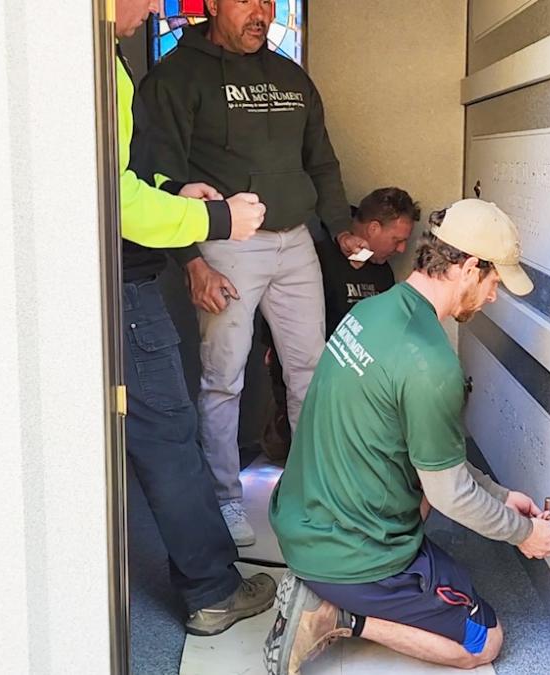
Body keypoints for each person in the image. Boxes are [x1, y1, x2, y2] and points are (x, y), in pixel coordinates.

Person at [264, 200, 550, 673]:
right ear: (467, 268)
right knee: (483, 642)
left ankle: (344, 587)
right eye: (493, 282)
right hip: (347, 553)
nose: (492, 297)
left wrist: (502, 496)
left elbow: (430, 459)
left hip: (303, 518)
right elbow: (448, 494)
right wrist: (524, 533)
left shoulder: (374, 311)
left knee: (433, 483)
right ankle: (334, 614)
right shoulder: (431, 362)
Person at [131, 0, 368, 547]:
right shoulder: (177, 77)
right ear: (212, 4)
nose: (260, 12)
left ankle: (315, 494)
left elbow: (321, 160)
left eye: (268, 1)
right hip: (227, 247)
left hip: (296, 243)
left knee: (311, 372)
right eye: (246, 1)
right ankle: (224, 500)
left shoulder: (290, 77)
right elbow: (155, 178)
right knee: (223, 381)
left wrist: (339, 228)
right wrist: (191, 259)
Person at [113, 0, 276, 636]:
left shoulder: (107, 58)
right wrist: (216, 221)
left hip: (119, 281)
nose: (158, 5)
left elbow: (120, 180)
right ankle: (211, 591)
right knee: (169, 439)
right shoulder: (103, 67)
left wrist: (176, 196)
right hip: (123, 290)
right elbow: (113, 200)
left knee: (158, 437)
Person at [259, 187, 418, 462]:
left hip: (363, 382)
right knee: (290, 445)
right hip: (316, 376)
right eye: (397, 240)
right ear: (373, 228)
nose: (402, 249)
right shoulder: (316, 256)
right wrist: (272, 344)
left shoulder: (382, 270)